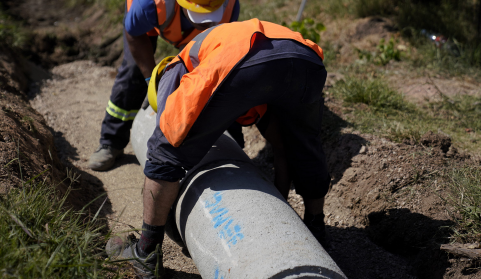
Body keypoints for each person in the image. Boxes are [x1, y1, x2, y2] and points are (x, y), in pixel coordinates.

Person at [107, 19, 331, 278]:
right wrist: (279, 212)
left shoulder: (174, 72)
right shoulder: (210, 49)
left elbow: (165, 154)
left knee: (163, 154)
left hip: (242, 60)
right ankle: (315, 227)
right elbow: (281, 148)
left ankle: (145, 253)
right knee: (302, 144)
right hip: (306, 59)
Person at [88, 0, 243, 171]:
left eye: (209, 14)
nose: (204, 22)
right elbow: (134, 34)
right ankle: (110, 142)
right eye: (199, 15)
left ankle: (227, 139)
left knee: (212, 77)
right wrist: (152, 80)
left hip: (183, 2)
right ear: (182, 0)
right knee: (133, 70)